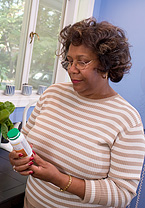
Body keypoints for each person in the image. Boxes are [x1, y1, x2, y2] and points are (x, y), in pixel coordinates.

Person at [9, 17, 145, 208]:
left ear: (107, 64)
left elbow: (122, 193)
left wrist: (61, 180)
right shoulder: (52, 94)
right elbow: (27, 142)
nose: (72, 69)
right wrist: (19, 156)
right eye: (70, 60)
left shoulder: (126, 120)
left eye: (83, 62)